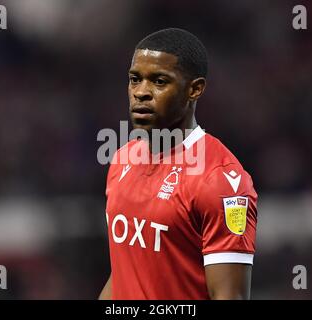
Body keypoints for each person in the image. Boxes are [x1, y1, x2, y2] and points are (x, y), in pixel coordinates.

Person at [99, 28, 258, 300]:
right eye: (135, 79)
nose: (141, 92)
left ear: (194, 89)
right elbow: (126, 269)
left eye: (159, 82)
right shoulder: (122, 160)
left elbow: (228, 296)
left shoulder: (221, 181)